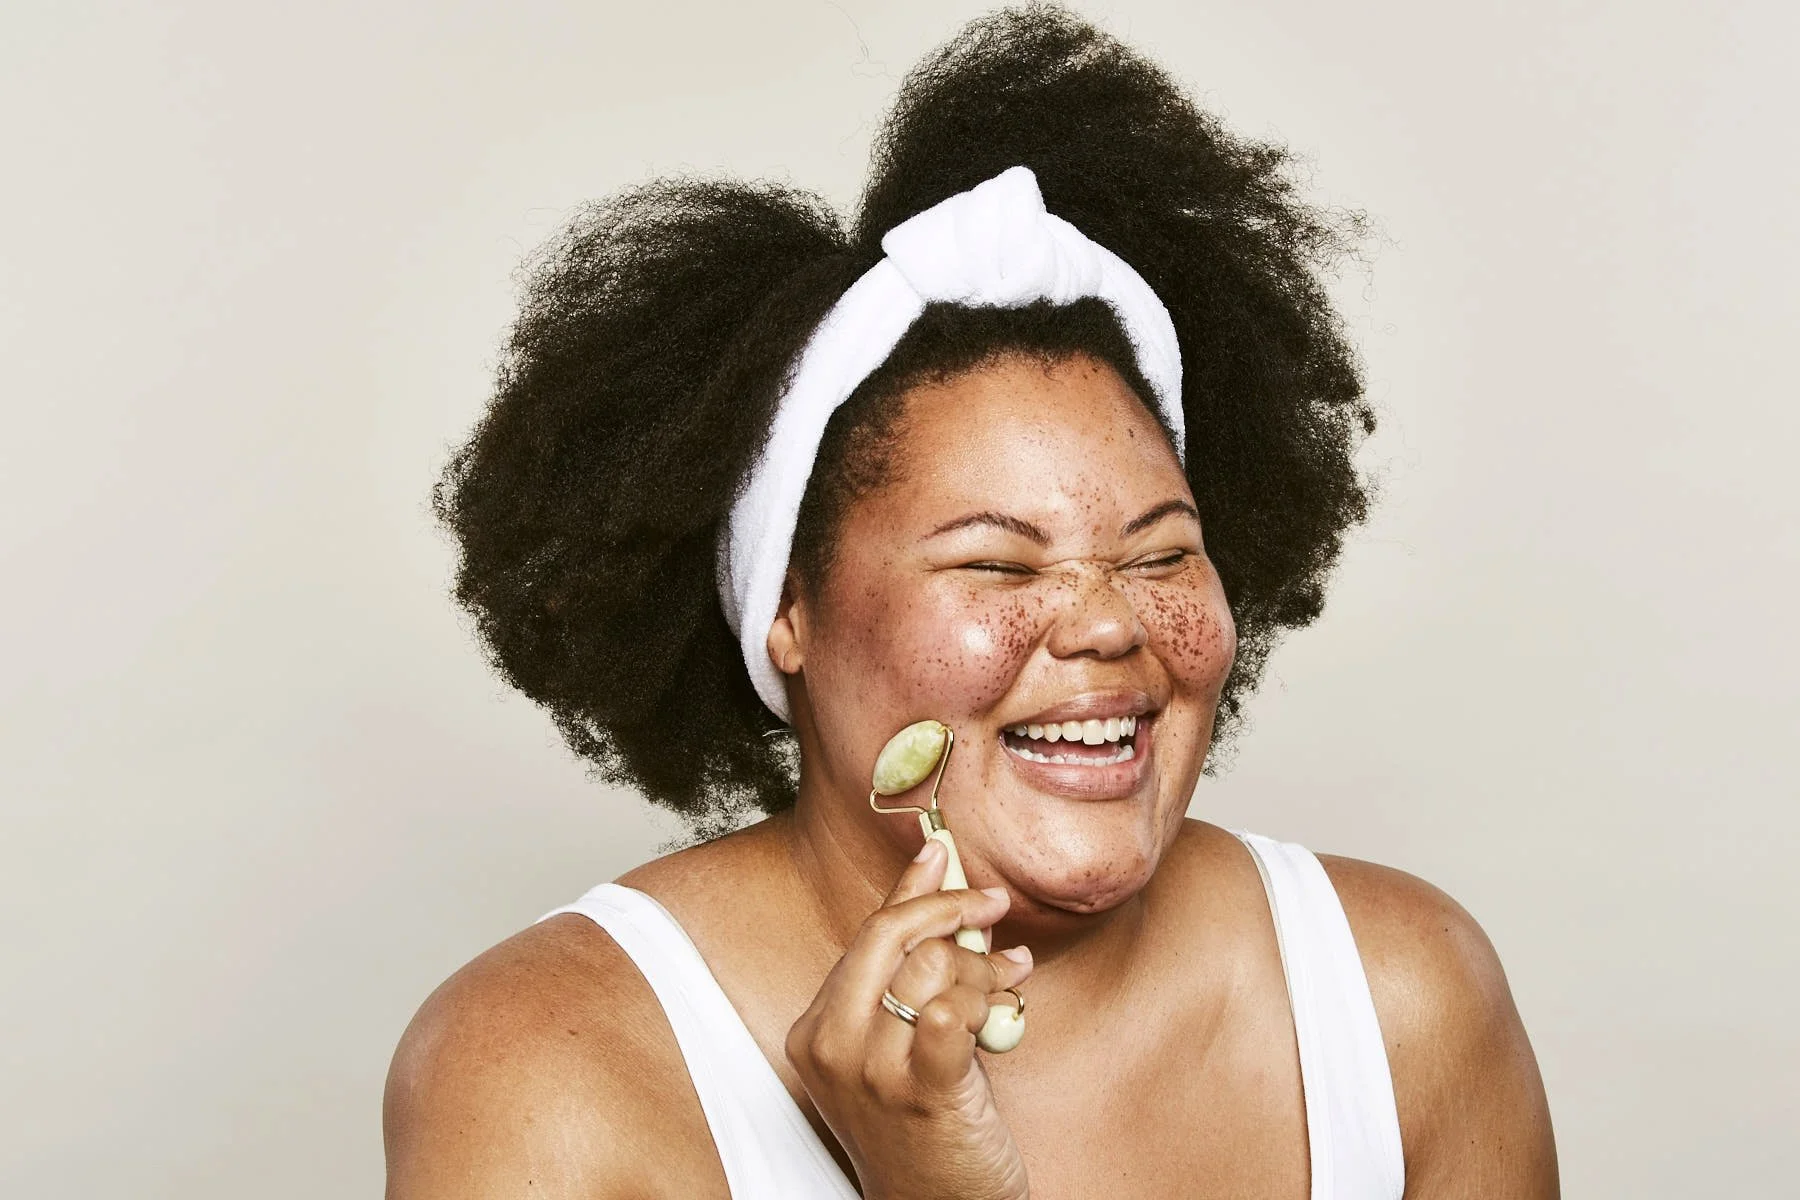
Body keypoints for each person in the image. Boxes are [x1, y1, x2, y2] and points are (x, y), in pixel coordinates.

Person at [384, 7, 1558, 1197]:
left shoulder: (1405, 1001)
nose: (1109, 625)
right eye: (998, 566)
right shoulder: (546, 1074)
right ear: (790, 610)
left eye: (1160, 555)